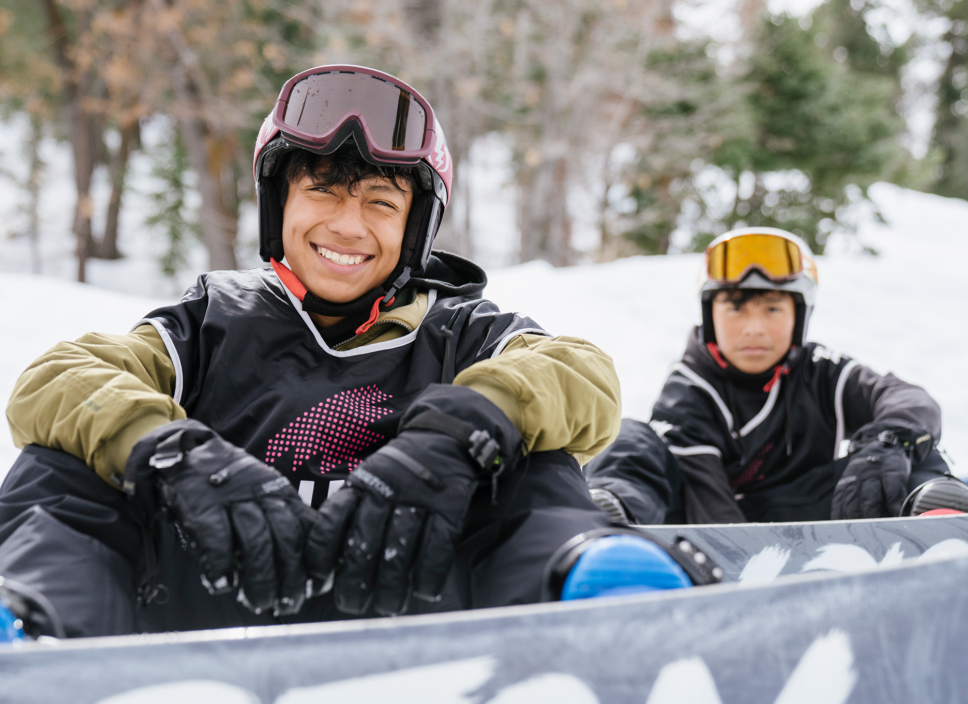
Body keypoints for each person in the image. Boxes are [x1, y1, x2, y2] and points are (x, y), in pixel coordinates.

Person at [0, 65, 700, 638]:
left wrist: (462, 433)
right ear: (280, 204)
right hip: (210, 597)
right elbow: (59, 379)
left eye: (379, 203)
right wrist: (170, 449)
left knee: (527, 454)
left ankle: (590, 609)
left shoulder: (460, 330)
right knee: (69, 459)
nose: (347, 224)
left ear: (414, 228)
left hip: (420, 602)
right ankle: (33, 623)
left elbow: (580, 373)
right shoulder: (212, 319)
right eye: (323, 190)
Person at [585, 227, 968, 525]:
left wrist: (888, 443)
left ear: (799, 317)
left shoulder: (820, 371)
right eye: (736, 308)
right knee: (628, 439)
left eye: (772, 308)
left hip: (805, 517)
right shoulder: (689, 390)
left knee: (906, 443)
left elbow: (907, 398)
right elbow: (708, 504)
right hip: (701, 530)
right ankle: (608, 533)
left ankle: (942, 524)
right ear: (709, 315)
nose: (754, 328)